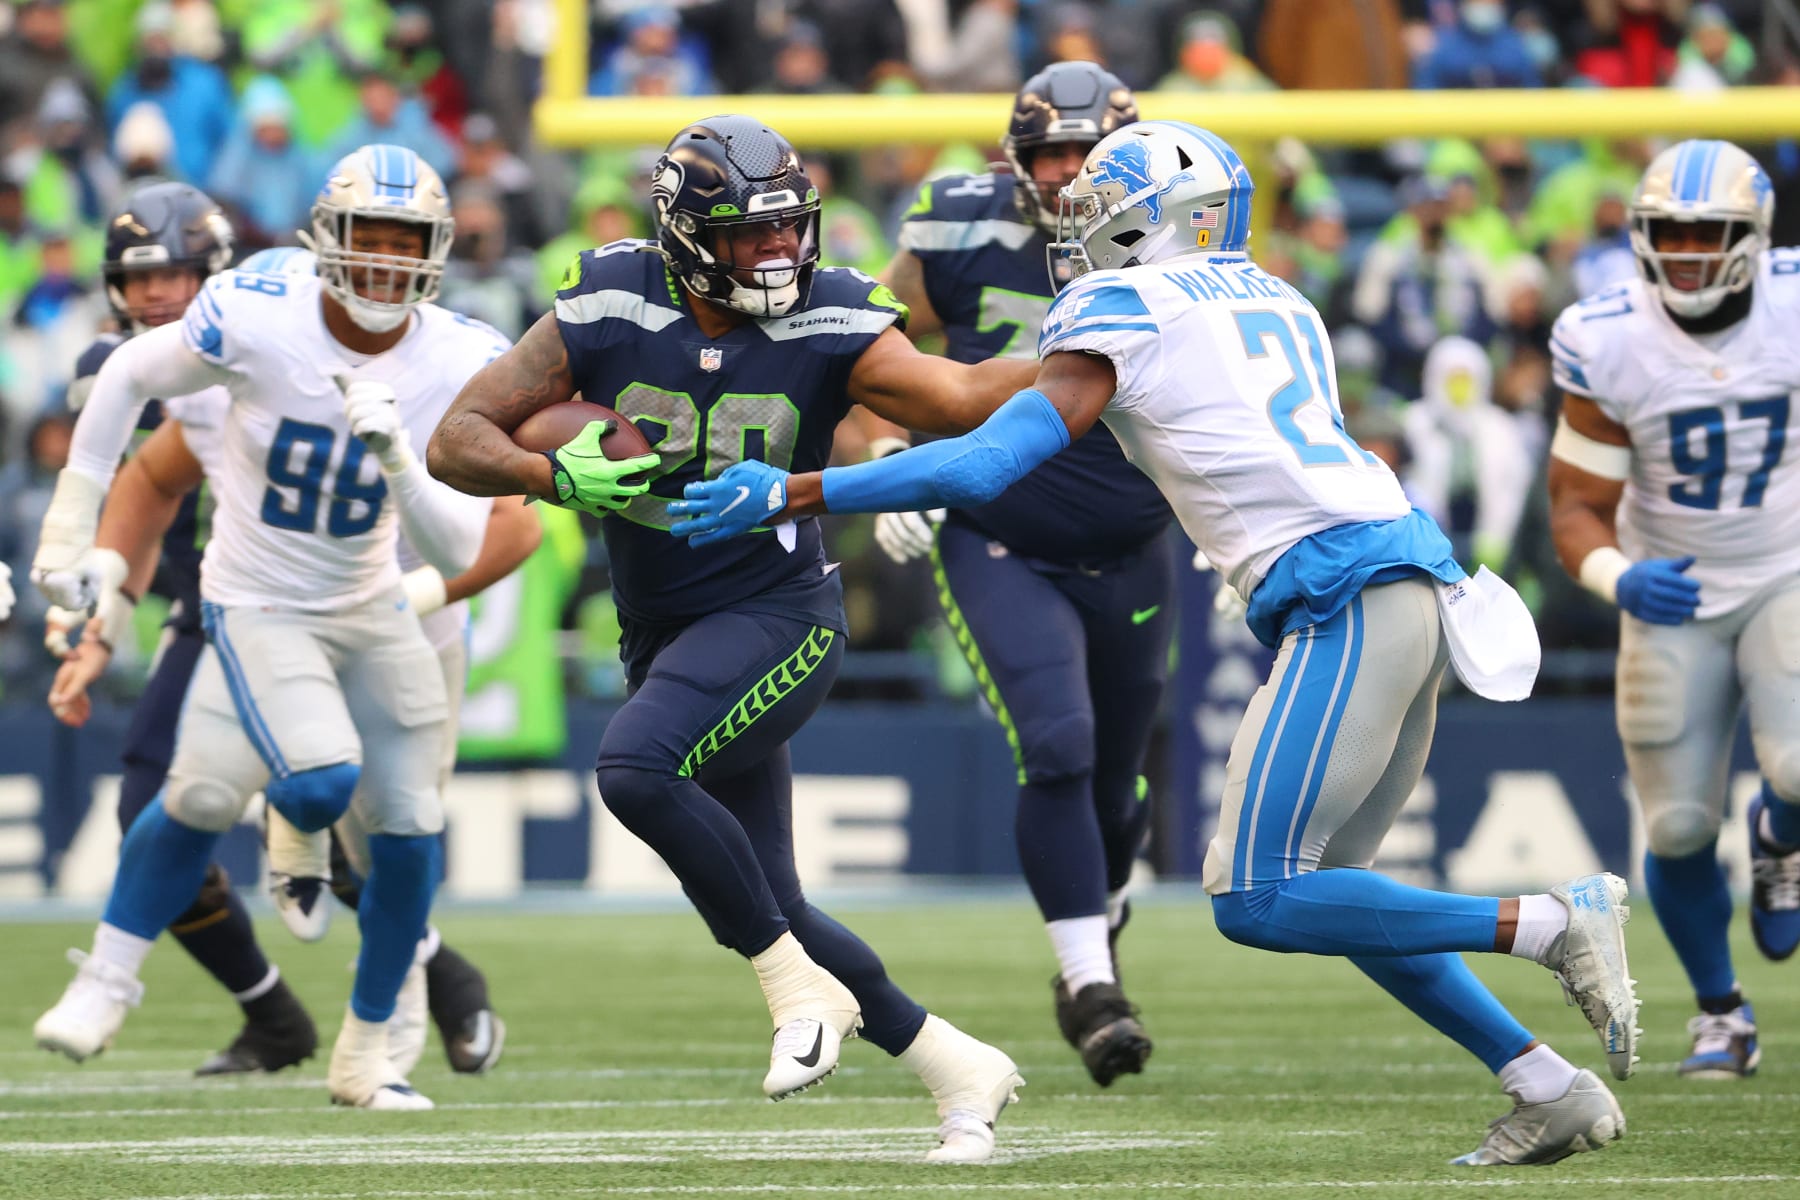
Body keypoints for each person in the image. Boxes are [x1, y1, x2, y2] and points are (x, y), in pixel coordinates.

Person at [669, 120, 1643, 1166]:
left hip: (1344, 593)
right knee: (1349, 901)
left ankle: (1548, 921)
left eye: (1101, 208)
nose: (1078, 223)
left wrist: (797, 487)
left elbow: (978, 470)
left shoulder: (1119, 303)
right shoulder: (1278, 295)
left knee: (1257, 895)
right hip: (1398, 576)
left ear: (1158, 222)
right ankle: (1548, 1086)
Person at [426, 115, 1034, 1164]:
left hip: (781, 617)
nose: (780, 252)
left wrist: (1102, 346)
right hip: (662, 627)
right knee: (774, 895)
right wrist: (550, 473)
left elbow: (961, 396)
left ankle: (797, 992)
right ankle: (953, 1062)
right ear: (688, 235)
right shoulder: (612, 298)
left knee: (631, 766)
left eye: (790, 230)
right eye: (752, 236)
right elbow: (456, 439)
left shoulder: (831, 313)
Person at [30, 145, 500, 1111]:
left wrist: (402, 464)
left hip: (375, 601)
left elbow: (468, 547)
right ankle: (111, 975)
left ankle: (370, 1051)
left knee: (406, 824)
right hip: (253, 596)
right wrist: (81, 546)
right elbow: (131, 403)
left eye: (402, 243)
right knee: (313, 779)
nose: (381, 265)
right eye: (364, 240)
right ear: (324, 240)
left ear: (437, 249)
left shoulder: (458, 353)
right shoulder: (252, 311)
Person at [868, 60, 1168, 1087]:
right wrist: (879, 454)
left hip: (1134, 540)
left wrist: (1243, 526)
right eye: (1048, 153)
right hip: (1000, 527)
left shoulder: (1174, 232)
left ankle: (1100, 920)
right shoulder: (954, 221)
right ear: (1015, 158)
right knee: (1059, 745)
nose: (1068, 171)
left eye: (1084, 151)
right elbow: (864, 348)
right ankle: (1090, 986)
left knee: (1122, 794)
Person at [1547, 138, 1800, 1080]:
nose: (1689, 253)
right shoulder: (1607, 334)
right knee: (1682, 826)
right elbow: (1576, 503)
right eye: (1671, 233)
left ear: (1755, 237)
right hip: (1671, 586)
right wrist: (1619, 576)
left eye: (1710, 233)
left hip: (1786, 566)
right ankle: (1721, 1014)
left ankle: (1781, 836)